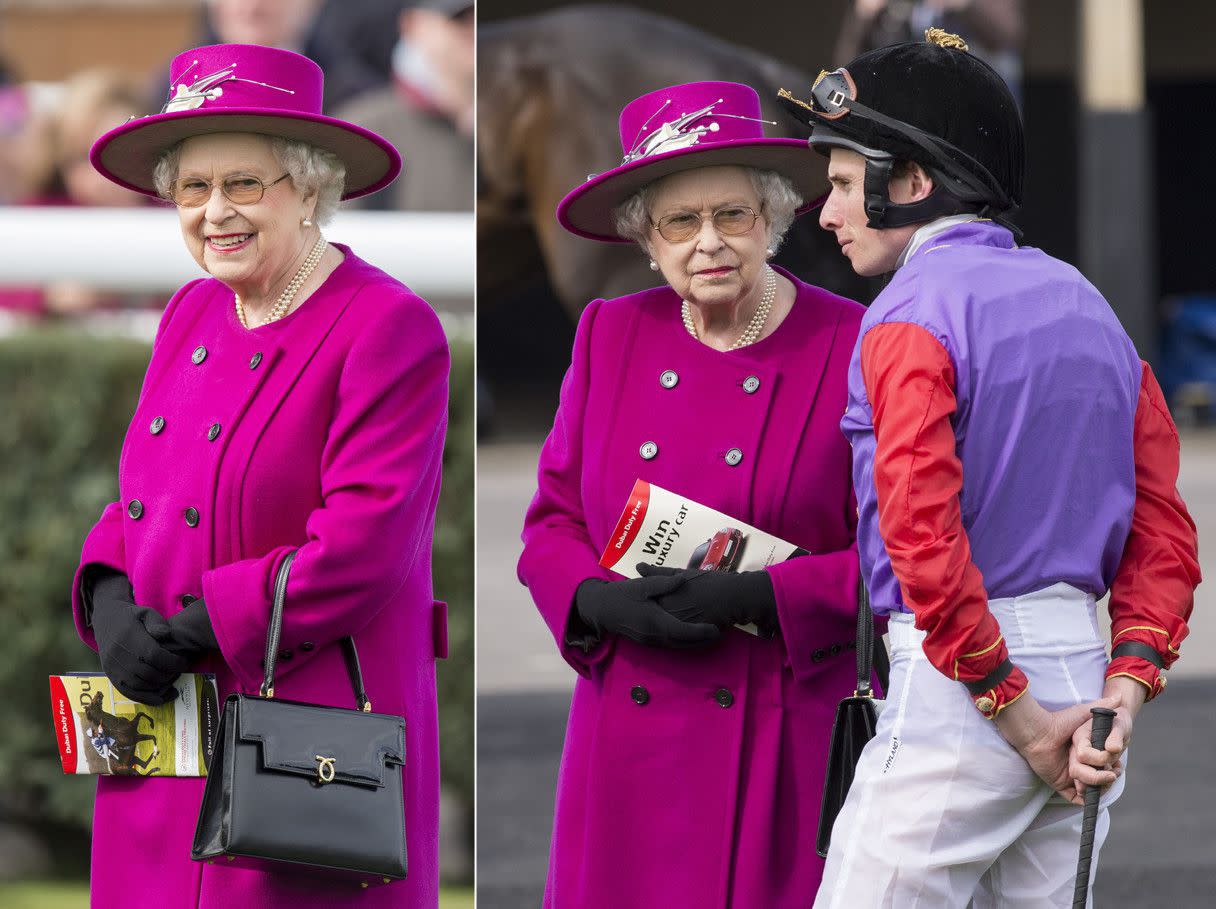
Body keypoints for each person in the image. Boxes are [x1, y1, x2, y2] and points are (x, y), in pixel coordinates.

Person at [777, 29, 1201, 907]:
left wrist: (1013, 712)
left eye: (848, 185)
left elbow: (920, 534)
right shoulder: (1092, 306)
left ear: (915, 183)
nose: (827, 212)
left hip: (965, 689)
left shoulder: (906, 317)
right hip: (1088, 682)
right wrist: (1120, 693)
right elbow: (1164, 528)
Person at [73, 43, 449, 907]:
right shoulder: (193, 307)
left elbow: (362, 548)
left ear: (311, 187)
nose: (215, 212)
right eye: (192, 188)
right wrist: (110, 601)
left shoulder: (389, 325)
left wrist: (205, 623)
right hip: (163, 716)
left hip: (299, 734)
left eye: (244, 183)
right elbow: (141, 492)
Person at [519, 81, 870, 908]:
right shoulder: (610, 332)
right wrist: (596, 603)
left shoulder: (852, 343)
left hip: (785, 733)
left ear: (773, 217)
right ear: (647, 237)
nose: (708, 242)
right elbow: (551, 524)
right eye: (680, 221)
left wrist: (765, 593)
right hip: (629, 732)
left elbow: (900, 554)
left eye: (732, 215)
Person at [335, 0, 474, 212]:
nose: (473, 27)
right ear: (412, 26)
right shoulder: (362, 131)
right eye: (461, 17)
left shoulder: (508, 122)